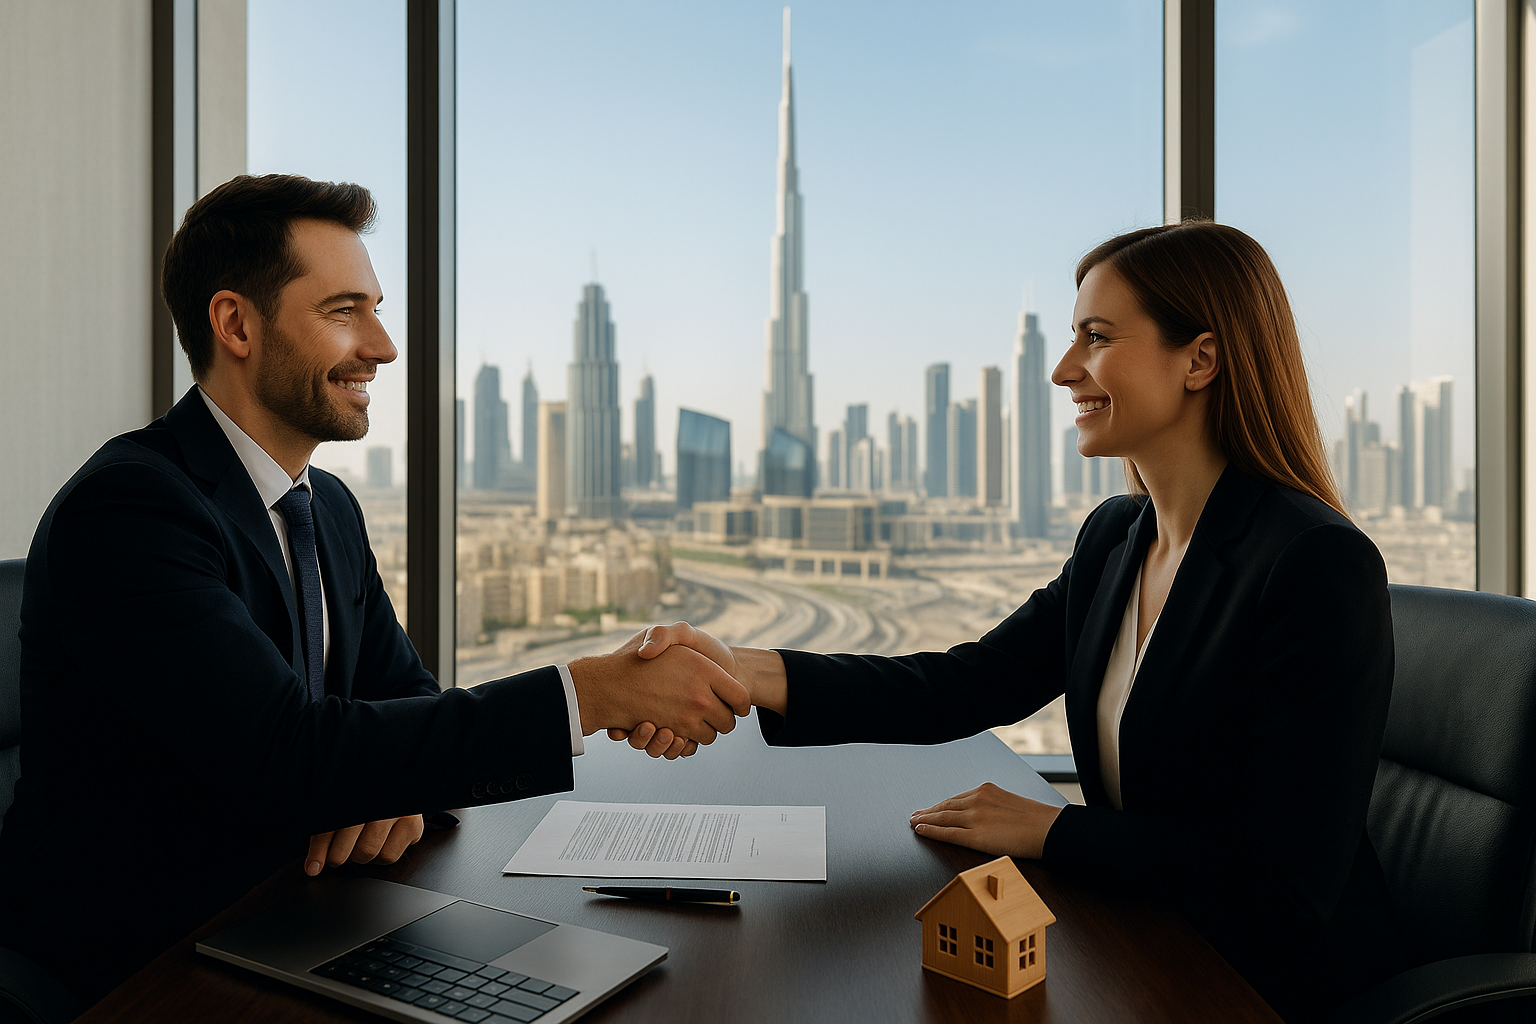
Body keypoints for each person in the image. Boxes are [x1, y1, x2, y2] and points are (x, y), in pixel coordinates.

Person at [626, 222, 1405, 1021]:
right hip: (1148, 938)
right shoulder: (1116, 539)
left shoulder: (1315, 564)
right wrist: (750, 672)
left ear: (1200, 360)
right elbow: (965, 683)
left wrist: (1053, 830)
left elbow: (1285, 882)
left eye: (1096, 339)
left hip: (1273, 985)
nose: (1065, 371)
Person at [0, 173, 746, 1003]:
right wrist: (589, 694)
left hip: (301, 914)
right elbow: (288, 758)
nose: (384, 346)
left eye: (376, 309)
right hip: (142, 958)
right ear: (235, 324)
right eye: (343, 311)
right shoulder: (132, 509)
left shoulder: (329, 508)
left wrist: (371, 778)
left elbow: (403, 704)